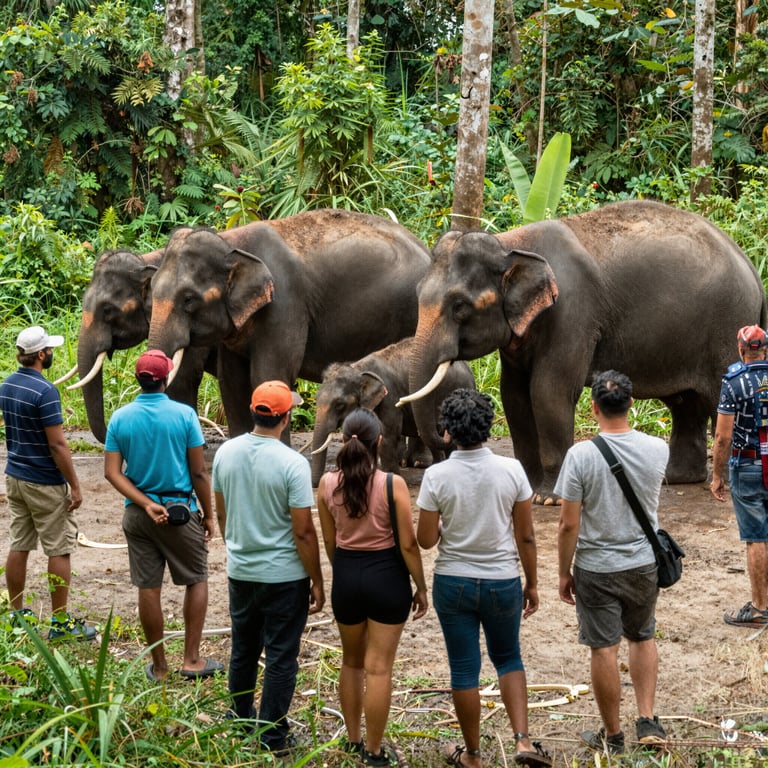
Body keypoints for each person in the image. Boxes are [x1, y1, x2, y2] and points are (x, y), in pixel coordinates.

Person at [416, 389, 551, 768]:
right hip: (502, 580)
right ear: (489, 427)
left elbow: (425, 540)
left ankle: (473, 755)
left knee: (463, 667)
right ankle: (523, 742)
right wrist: (533, 583)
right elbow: (525, 535)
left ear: (447, 432)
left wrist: (444, 523)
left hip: (453, 581)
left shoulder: (436, 475)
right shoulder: (512, 470)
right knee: (508, 657)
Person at [555, 370, 669, 754]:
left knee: (603, 648)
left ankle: (614, 736)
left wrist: (562, 572)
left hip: (596, 567)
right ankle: (648, 719)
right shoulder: (658, 449)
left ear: (593, 407)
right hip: (642, 563)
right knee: (643, 635)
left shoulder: (580, 456)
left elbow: (568, 524)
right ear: (632, 404)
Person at [212, 380, 325, 754]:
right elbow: (304, 532)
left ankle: (242, 716)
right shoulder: (293, 463)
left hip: (241, 570)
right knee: (280, 655)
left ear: (254, 411)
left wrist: (240, 548)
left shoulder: (225, 453)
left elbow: (223, 513)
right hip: (284, 575)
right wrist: (317, 579)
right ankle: (272, 734)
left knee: (243, 647)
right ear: (286, 417)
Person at [317, 408, 428, 767]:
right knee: (378, 668)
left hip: (347, 575)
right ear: (378, 442)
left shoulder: (326, 484)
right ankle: (374, 750)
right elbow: (409, 545)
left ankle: (351, 739)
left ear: (343, 440)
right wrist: (421, 586)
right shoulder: (392, 484)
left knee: (351, 663)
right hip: (387, 578)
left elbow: (330, 543)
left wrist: (347, 574)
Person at [104, 349, 221, 682]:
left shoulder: (120, 418)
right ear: (166, 378)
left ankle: (160, 667)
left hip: (140, 517)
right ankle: (191, 659)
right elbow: (199, 473)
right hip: (179, 513)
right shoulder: (184, 416)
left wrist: (144, 503)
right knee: (196, 578)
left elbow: (113, 473)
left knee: (148, 587)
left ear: (138, 380)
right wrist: (209, 516)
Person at [0, 325, 96, 641]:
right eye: (50, 349)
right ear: (41, 354)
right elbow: (57, 445)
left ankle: (16, 615)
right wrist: (75, 485)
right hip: (43, 481)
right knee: (60, 548)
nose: (52, 353)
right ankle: (60, 623)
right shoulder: (45, 391)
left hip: (15, 476)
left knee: (20, 543)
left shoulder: (7, 385)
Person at [711, 325, 768, 627]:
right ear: (766, 350)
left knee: (756, 537)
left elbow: (723, 437)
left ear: (741, 350)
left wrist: (717, 475)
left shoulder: (734, 381)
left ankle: (760, 609)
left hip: (747, 466)